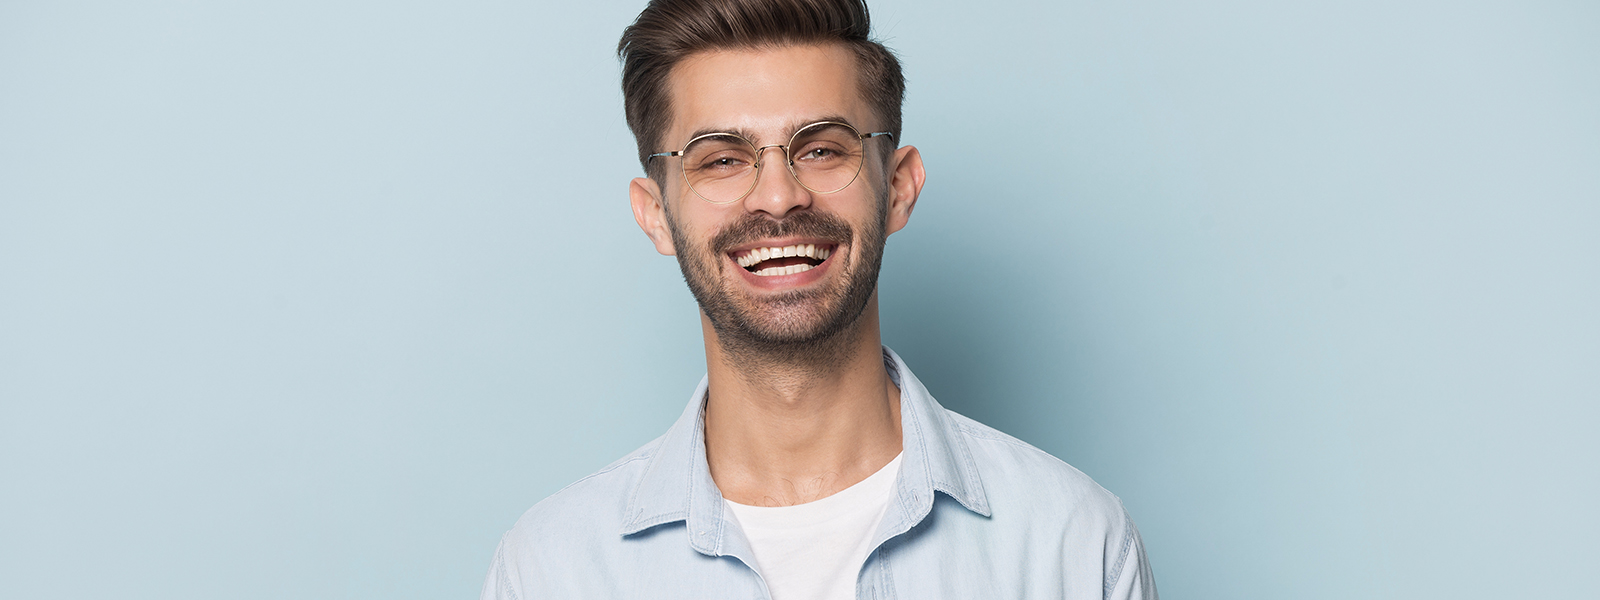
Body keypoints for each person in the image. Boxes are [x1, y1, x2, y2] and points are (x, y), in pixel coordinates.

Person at [481, 0, 1158, 598]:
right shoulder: (553, 570)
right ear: (656, 213)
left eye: (823, 150)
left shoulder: (1074, 545)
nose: (778, 196)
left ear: (897, 187)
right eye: (720, 158)